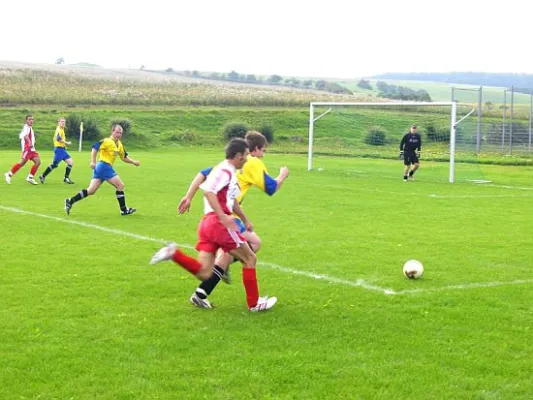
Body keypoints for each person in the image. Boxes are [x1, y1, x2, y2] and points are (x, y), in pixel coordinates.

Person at [149, 137, 277, 312]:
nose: (247, 159)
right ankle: (254, 304)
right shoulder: (224, 171)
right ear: (238, 155)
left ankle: (173, 253)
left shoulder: (228, 172)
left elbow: (233, 201)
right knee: (250, 258)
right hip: (219, 224)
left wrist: (245, 219)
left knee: (204, 272)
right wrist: (223, 218)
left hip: (207, 225)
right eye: (246, 155)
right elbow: (209, 192)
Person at [178, 131, 289, 309]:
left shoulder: (227, 166)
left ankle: (201, 290)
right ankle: (252, 301)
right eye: (263, 150)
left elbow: (203, 174)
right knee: (251, 251)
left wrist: (188, 196)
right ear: (253, 151)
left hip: (217, 217)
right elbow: (271, 188)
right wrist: (283, 175)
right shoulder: (251, 163)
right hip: (225, 219)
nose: (262, 155)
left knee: (210, 267)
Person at [64, 124, 139, 216]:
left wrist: (133, 162)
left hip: (101, 168)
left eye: (120, 133)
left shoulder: (119, 144)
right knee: (120, 185)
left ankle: (70, 201)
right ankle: (123, 210)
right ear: (112, 132)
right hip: (104, 166)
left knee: (91, 190)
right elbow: (94, 148)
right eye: (117, 132)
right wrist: (93, 162)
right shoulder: (107, 141)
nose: (119, 134)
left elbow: (124, 157)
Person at [4, 115, 41, 185]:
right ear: (26, 120)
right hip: (27, 149)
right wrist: (30, 143)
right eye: (29, 119)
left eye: (32, 119)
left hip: (32, 149)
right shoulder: (26, 127)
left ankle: (30, 177)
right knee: (22, 163)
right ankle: (9, 174)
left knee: (38, 162)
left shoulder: (29, 128)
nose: (31, 121)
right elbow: (25, 136)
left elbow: (22, 135)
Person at [39, 117, 75, 184]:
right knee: (54, 165)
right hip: (59, 150)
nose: (63, 123)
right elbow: (58, 138)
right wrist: (66, 142)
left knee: (70, 162)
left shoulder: (61, 129)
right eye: (61, 121)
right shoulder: (59, 129)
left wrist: (64, 146)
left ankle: (66, 178)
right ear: (58, 122)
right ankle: (42, 176)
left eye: (64, 122)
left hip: (62, 150)